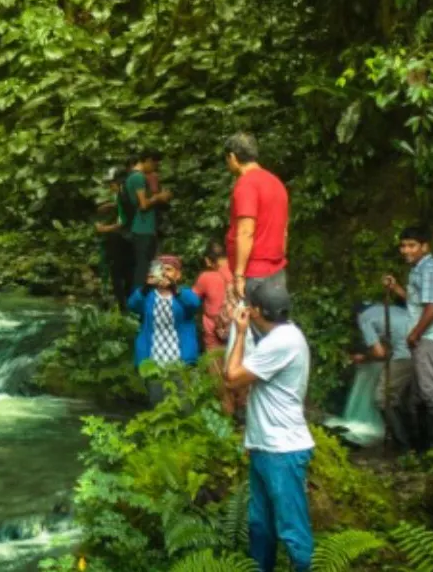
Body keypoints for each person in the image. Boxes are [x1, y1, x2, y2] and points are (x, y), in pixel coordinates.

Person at [224, 279, 315, 572]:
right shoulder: (282, 335)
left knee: (292, 530)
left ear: (258, 310)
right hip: (265, 446)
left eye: (249, 305)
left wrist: (238, 333)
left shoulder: (281, 342)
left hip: (283, 451)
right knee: (260, 526)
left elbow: (232, 377)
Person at [383, 225, 433, 451]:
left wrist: (414, 335)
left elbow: (432, 309)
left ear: (425, 247)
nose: (405, 250)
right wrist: (396, 289)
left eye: (411, 245)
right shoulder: (418, 269)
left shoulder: (429, 270)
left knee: (431, 394)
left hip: (430, 339)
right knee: (417, 396)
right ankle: (422, 448)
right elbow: (417, 302)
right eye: (403, 246)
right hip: (423, 339)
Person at [223, 132, 290, 307]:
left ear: (232, 157)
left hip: (254, 272)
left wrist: (239, 275)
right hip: (277, 267)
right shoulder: (276, 182)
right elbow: (284, 230)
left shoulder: (246, 184)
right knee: (274, 325)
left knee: (253, 329)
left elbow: (246, 231)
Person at [127, 255, 203, 405]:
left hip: (180, 359)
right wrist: (145, 288)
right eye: (160, 270)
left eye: (168, 270)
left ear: (178, 275)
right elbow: (132, 305)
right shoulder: (147, 295)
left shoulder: (183, 294)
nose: (164, 273)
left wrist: (175, 289)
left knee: (183, 402)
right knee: (157, 403)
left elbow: (194, 305)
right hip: (154, 357)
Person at [349, 296, 415, 450]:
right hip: (424, 349)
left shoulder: (364, 318)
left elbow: (379, 353)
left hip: (404, 356)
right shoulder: (389, 308)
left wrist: (364, 357)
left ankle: (402, 445)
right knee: (408, 398)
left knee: (382, 398)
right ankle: (416, 443)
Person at [122, 151, 170, 292]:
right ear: (147, 160)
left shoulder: (133, 177)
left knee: (148, 264)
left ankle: (146, 296)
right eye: (154, 164)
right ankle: (137, 300)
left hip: (145, 227)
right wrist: (159, 197)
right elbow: (143, 205)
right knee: (143, 267)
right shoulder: (138, 178)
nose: (155, 168)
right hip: (142, 227)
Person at [94, 161, 134, 308]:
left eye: (112, 183)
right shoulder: (125, 193)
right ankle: (126, 304)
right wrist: (112, 206)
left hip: (124, 239)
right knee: (127, 273)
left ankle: (123, 305)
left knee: (118, 272)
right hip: (130, 238)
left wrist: (104, 229)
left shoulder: (123, 194)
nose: (110, 187)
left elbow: (123, 222)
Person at [192, 240, 235, 351]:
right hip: (239, 328)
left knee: (215, 364)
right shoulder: (240, 273)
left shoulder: (206, 277)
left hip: (214, 333)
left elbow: (191, 301)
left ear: (207, 260)